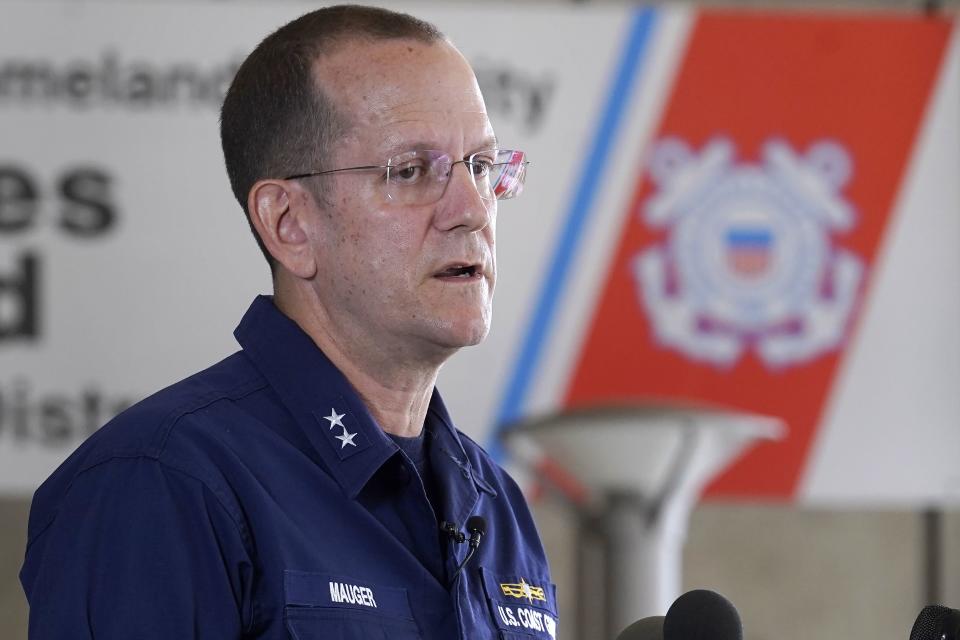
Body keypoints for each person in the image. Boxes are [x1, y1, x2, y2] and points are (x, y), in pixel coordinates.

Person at [19, 6, 556, 639]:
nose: (472, 209)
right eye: (411, 171)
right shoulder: (160, 482)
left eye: (484, 166)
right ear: (288, 224)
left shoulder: (495, 500)